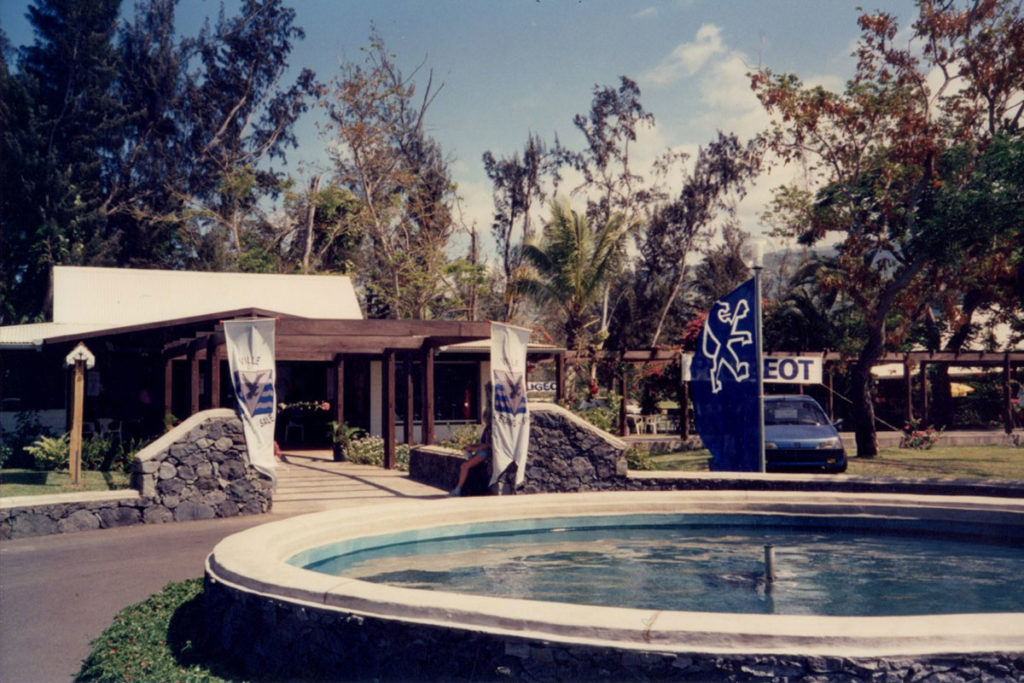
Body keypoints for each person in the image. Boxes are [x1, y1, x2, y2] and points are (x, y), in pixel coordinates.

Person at [450, 408, 492, 497]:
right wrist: (471, 446)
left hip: (483, 453)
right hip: (481, 451)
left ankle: (458, 489)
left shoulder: (489, 429)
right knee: (466, 464)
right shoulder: (487, 428)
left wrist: (474, 449)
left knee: (464, 466)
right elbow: (482, 443)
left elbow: (488, 445)